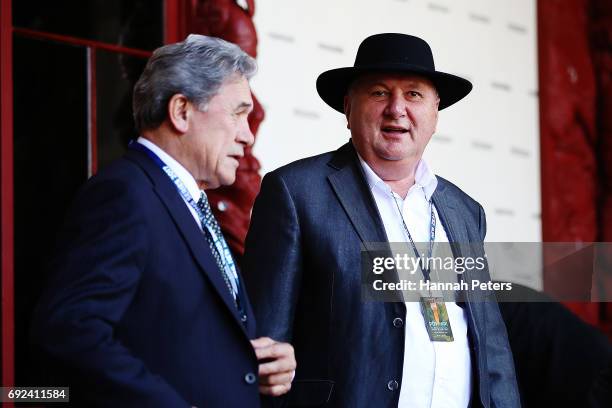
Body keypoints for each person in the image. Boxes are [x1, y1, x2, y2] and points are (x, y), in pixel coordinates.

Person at [243, 33, 520, 407]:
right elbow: (265, 348)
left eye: (414, 94)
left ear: (435, 112)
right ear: (348, 107)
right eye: (378, 93)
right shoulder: (296, 194)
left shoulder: (464, 211)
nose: (396, 108)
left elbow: (492, 348)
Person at [30, 34, 295, 407]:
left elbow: (178, 336)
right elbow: (72, 332)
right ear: (181, 111)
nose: (247, 135)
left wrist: (258, 367)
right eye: (238, 113)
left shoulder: (190, 201)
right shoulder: (124, 195)